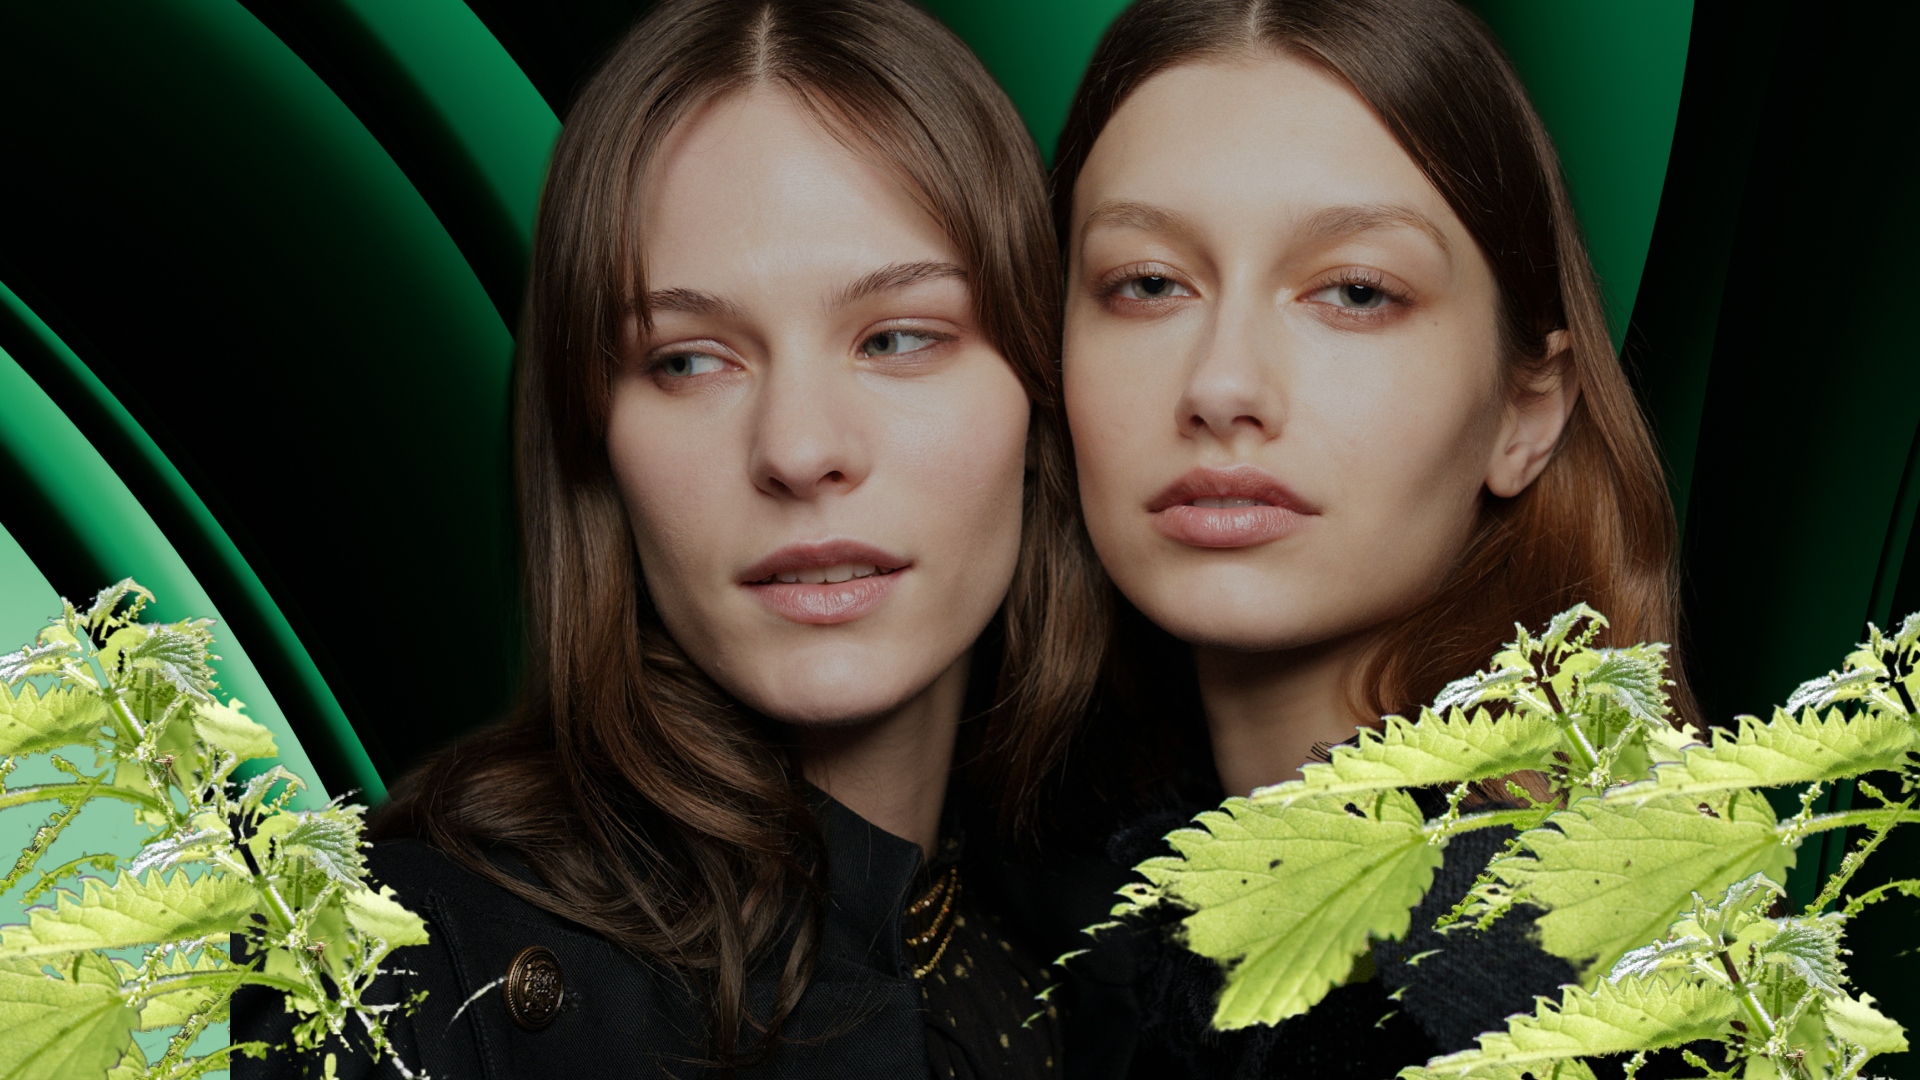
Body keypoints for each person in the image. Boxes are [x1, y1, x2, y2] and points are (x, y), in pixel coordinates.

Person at [234, 1, 1106, 1076]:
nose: (798, 448)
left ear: (1040, 395)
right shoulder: (400, 969)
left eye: (897, 337)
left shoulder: (1094, 979)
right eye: (690, 359)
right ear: (593, 436)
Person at [1033, 0, 1696, 1075]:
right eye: (1148, 284)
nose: (1223, 385)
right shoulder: (1125, 899)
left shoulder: (1506, 1008)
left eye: (1354, 291)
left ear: (1528, 410)